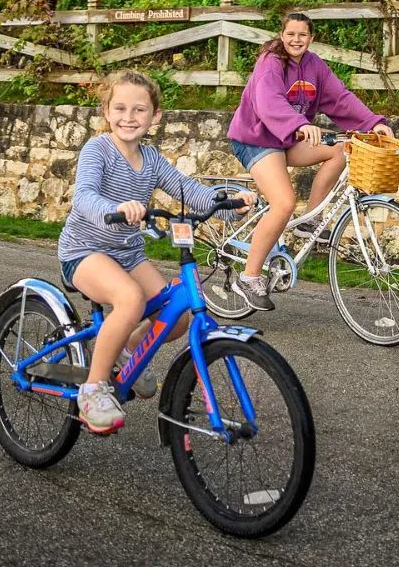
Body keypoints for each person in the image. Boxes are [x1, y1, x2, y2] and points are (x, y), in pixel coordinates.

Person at [57, 69, 255, 436]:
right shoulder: (97, 150)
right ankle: (93, 389)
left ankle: (126, 347)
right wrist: (115, 207)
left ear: (155, 116)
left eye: (139, 110)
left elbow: (188, 191)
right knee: (130, 299)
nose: (128, 117)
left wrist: (229, 204)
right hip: (85, 250)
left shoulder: (151, 159)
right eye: (120, 108)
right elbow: (84, 196)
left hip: (127, 253)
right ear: (106, 111)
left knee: (177, 315)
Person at [227, 10, 392, 312]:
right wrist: (299, 125)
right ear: (282, 35)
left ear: (311, 38)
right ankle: (249, 277)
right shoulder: (271, 62)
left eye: (302, 34)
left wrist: (372, 123)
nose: (296, 39)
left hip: (287, 138)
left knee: (342, 148)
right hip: (255, 139)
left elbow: (340, 98)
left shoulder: (314, 66)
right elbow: (268, 102)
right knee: (283, 202)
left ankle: (311, 219)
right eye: (290, 33)